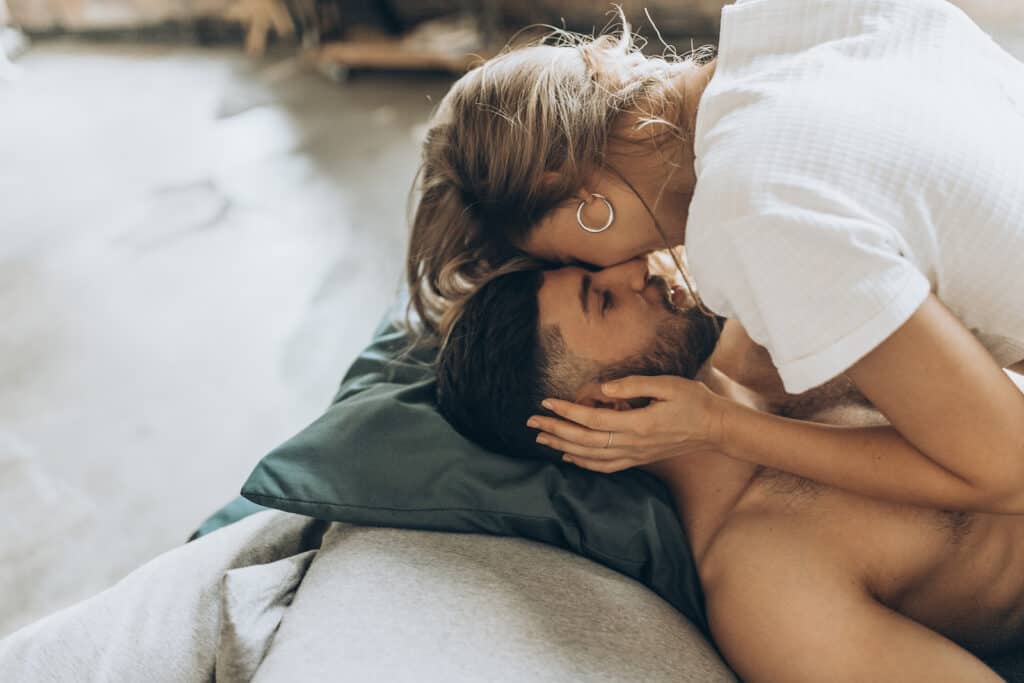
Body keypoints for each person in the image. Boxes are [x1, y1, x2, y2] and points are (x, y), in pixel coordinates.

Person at [408, 0, 1024, 513]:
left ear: (577, 198)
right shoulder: (779, 21)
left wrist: (720, 428)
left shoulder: (752, 215)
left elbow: (1006, 469)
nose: (627, 270)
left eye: (583, 267)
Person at [434, 256, 1024, 682]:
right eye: (603, 298)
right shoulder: (769, 592)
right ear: (601, 408)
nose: (634, 269)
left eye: (604, 268)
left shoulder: (761, 335)